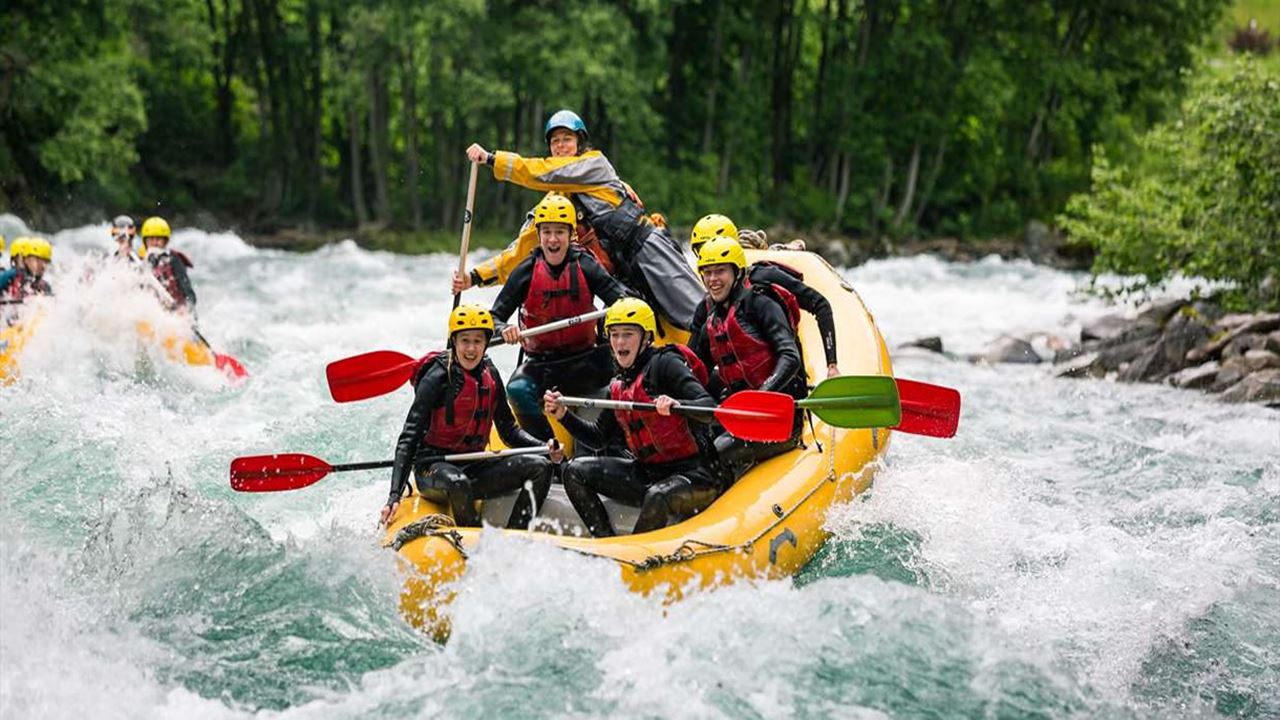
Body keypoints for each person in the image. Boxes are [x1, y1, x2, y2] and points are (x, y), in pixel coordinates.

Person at [461, 110, 704, 332]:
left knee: (695, 314)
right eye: (555, 141)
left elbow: (542, 172)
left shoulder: (594, 164)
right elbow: (522, 249)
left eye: (567, 139)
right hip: (620, 277)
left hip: (647, 250)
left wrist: (492, 159)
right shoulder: (554, 204)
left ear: (580, 143)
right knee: (642, 332)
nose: (560, 146)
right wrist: (475, 276)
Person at [544, 298, 720, 537]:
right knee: (574, 471)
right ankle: (605, 542)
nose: (619, 342)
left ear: (646, 337)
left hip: (695, 474)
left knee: (658, 496)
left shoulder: (666, 364)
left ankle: (634, 558)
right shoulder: (618, 385)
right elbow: (598, 438)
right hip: (646, 472)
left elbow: (709, 408)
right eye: (614, 335)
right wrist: (563, 415)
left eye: (628, 334)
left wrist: (680, 405)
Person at [380, 305, 559, 528]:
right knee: (458, 482)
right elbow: (409, 437)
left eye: (477, 341)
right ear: (454, 341)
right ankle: (476, 546)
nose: (471, 349)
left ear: (486, 343)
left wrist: (544, 447)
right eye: (465, 340)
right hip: (433, 467)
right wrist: (394, 494)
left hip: (474, 465)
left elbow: (508, 430)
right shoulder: (437, 377)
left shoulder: (490, 374)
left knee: (541, 467)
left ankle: (516, 537)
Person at [488, 192, 633, 441]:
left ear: (570, 234)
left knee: (628, 377)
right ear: (539, 234)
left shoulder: (586, 265)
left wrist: (616, 320)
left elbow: (621, 301)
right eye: (547, 232)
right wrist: (504, 329)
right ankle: (548, 453)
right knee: (517, 389)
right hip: (542, 365)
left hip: (587, 361)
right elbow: (493, 318)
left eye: (559, 232)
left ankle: (616, 444)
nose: (553, 239)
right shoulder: (526, 271)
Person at [691, 237, 806, 476]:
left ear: (737, 272)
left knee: (714, 452)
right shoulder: (712, 322)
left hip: (779, 418)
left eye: (720, 271)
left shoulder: (761, 304)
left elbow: (790, 356)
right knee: (694, 446)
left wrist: (763, 394)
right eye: (707, 273)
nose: (713, 280)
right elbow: (693, 372)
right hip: (740, 416)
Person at [690, 214, 841, 379]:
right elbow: (693, 362)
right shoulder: (707, 307)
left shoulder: (765, 281)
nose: (710, 252)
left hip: (783, 381)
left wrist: (832, 365)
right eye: (702, 250)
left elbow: (820, 304)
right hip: (740, 389)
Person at [139, 217, 197, 314]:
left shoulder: (174, 259)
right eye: (151, 239)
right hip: (155, 312)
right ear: (145, 242)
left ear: (165, 241)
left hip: (177, 312)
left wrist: (185, 308)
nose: (154, 243)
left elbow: (188, 292)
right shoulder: (143, 261)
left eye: (158, 239)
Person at [1, 237, 54, 304]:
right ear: (25, 259)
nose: (43, 266)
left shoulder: (44, 286)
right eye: (37, 260)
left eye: (46, 261)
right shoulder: (10, 275)